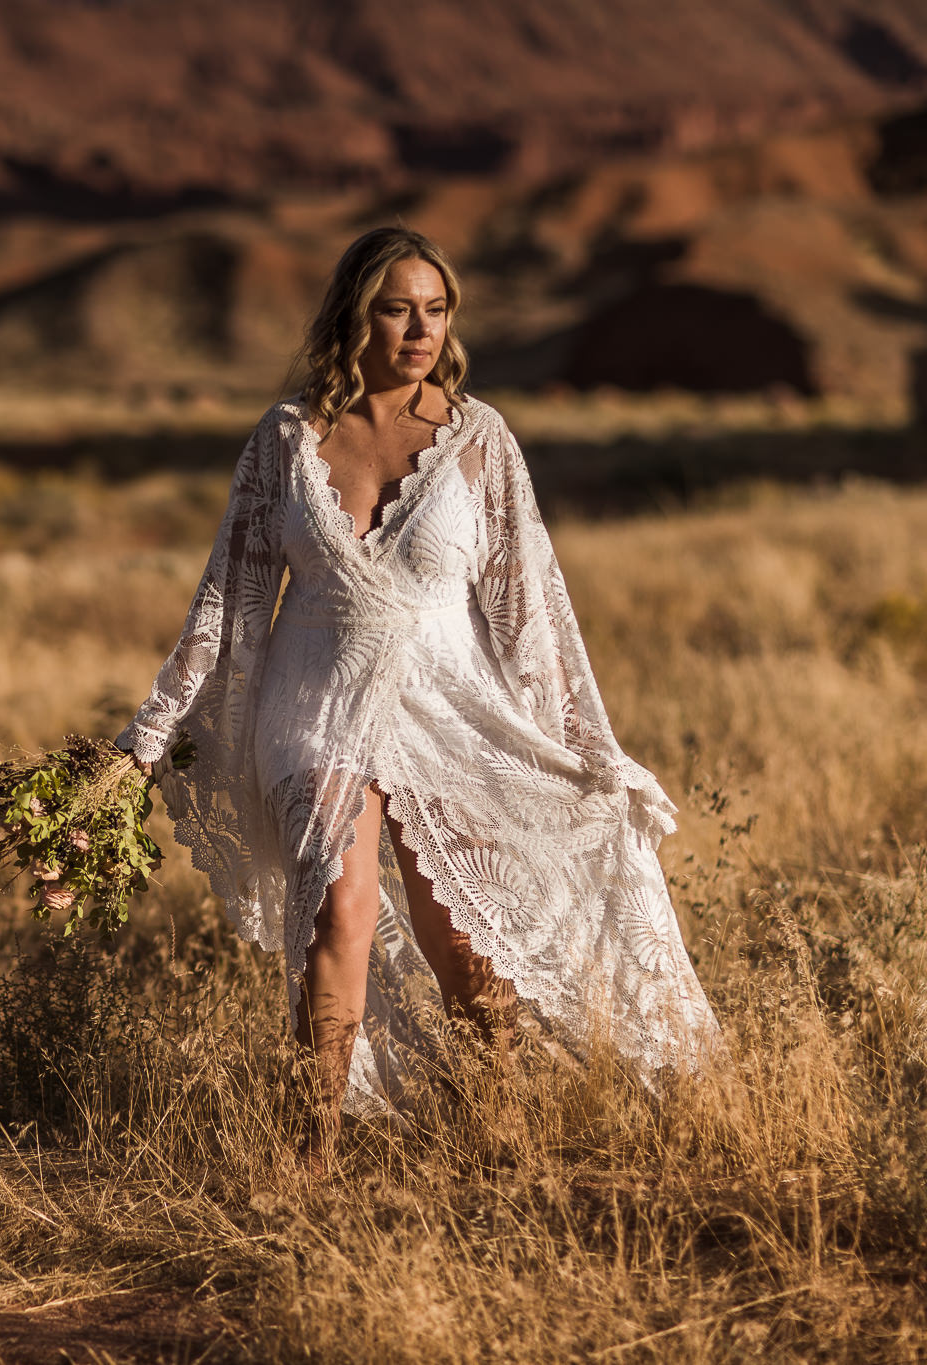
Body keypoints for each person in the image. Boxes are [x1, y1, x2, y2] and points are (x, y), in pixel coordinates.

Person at [116, 227, 720, 1165]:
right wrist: (143, 742)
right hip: (313, 711)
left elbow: (533, 614)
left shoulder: (480, 441)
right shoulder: (285, 441)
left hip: (451, 712)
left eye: (435, 311)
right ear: (354, 316)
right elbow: (224, 603)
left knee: (469, 944)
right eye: (397, 309)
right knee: (339, 914)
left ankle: (499, 1130)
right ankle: (310, 1153)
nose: (418, 330)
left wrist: (585, 749)